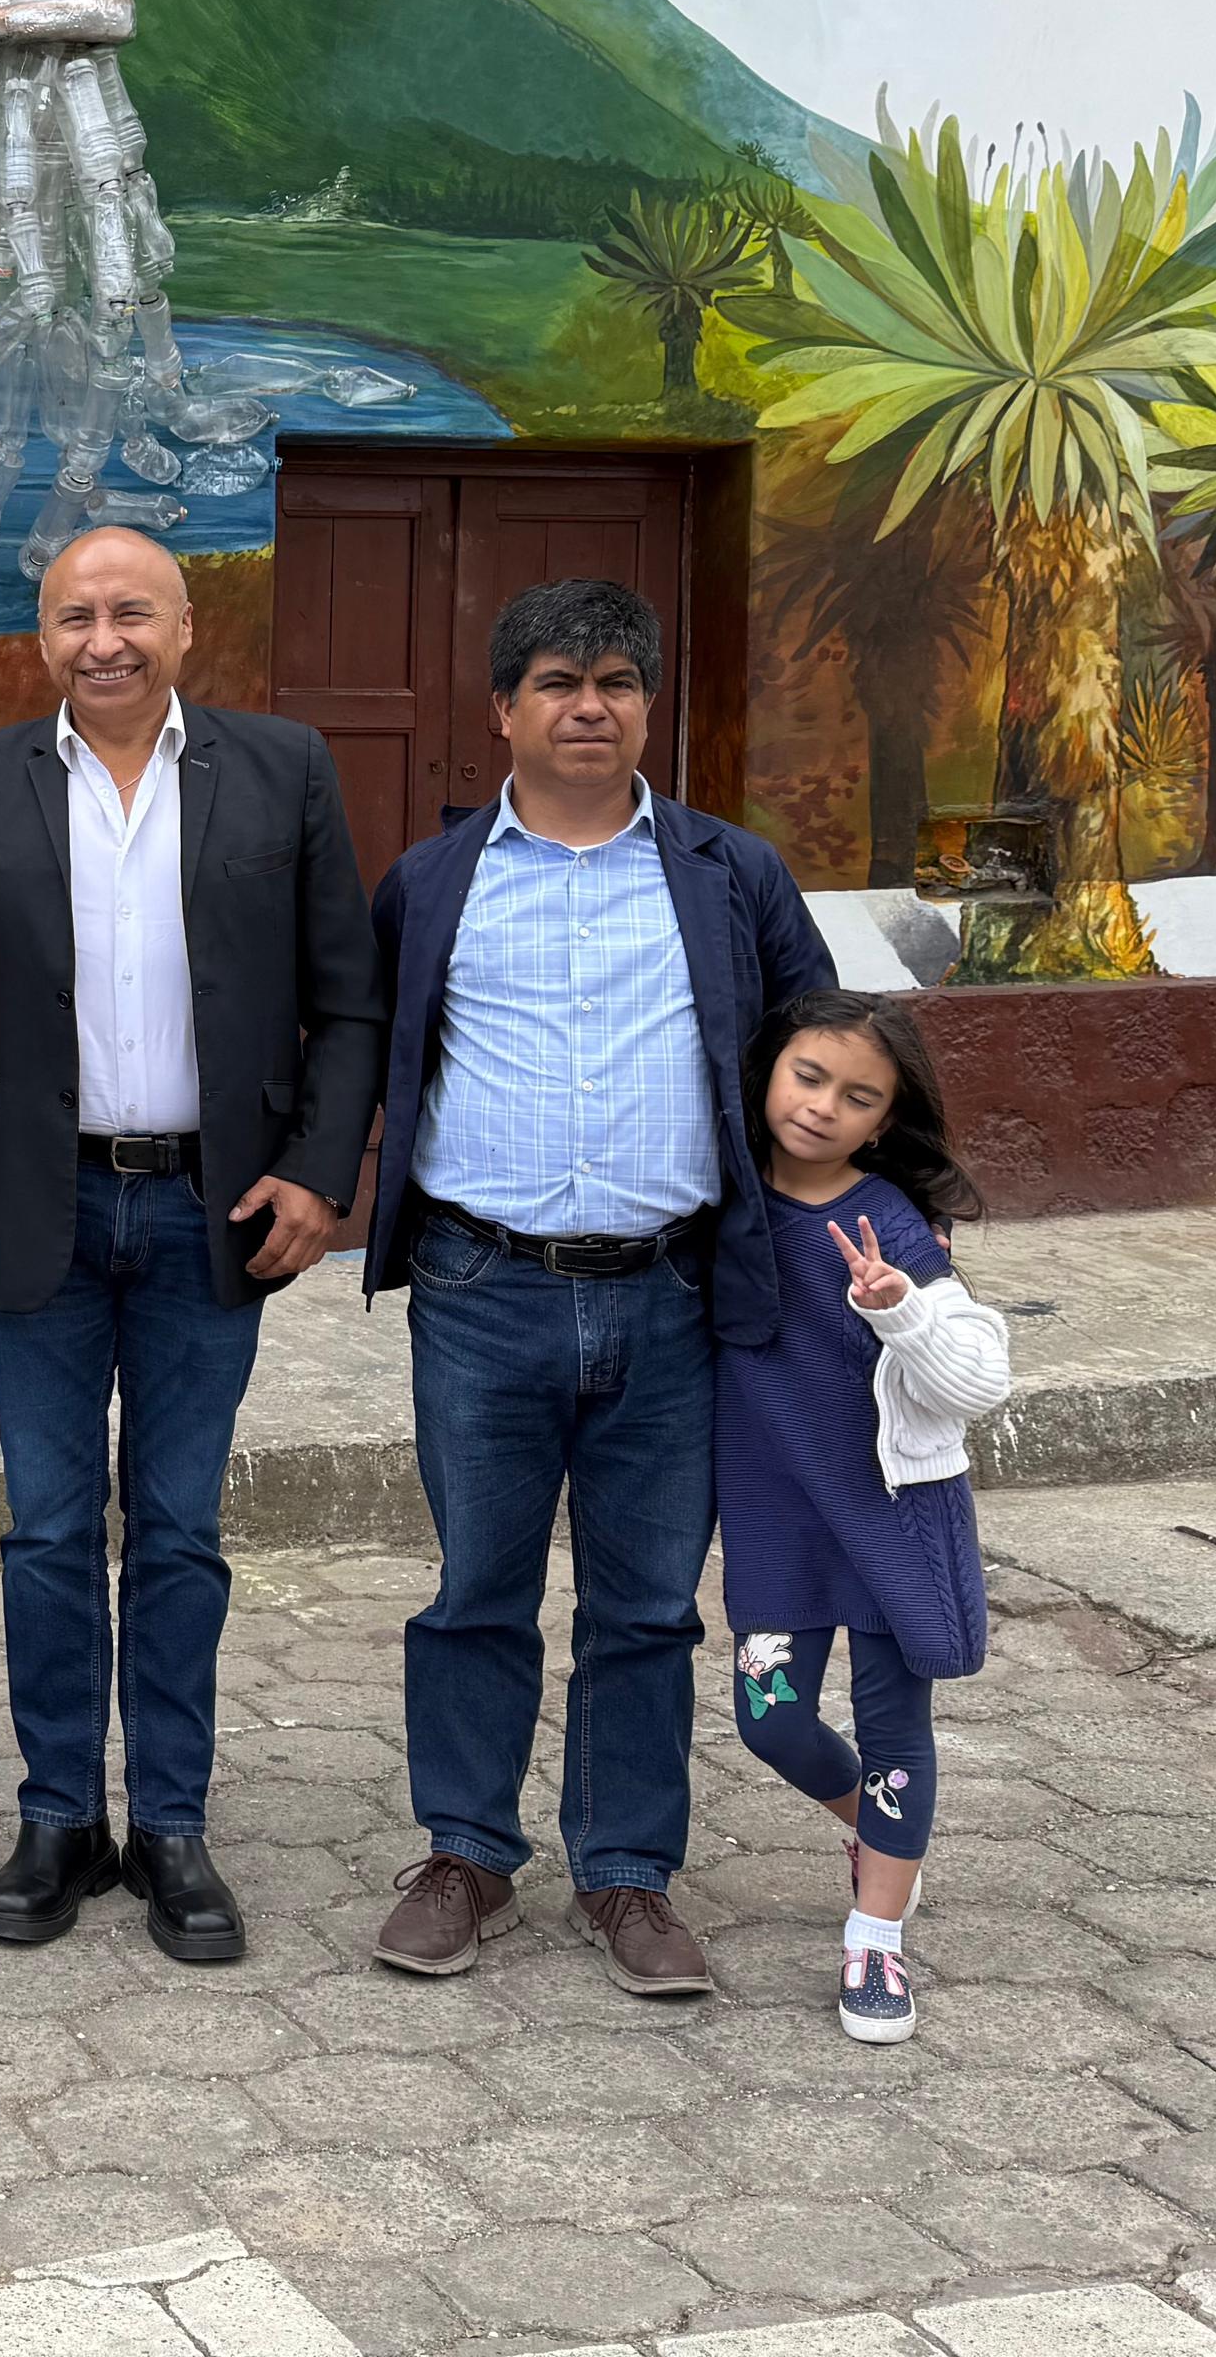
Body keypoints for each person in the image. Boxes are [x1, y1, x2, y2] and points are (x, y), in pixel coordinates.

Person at [0, 527, 386, 1965]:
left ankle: (170, 1825)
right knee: (46, 1530)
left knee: (176, 1530)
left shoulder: (280, 769)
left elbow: (349, 999)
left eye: (131, 613)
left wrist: (319, 1175)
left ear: (184, 627)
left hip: (212, 1212)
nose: (104, 640)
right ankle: (56, 1820)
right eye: (75, 617)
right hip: (29, 1209)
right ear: (41, 638)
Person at [361, 575, 838, 2000]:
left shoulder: (729, 874)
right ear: (502, 711)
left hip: (672, 1298)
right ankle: (463, 1854)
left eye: (616, 683)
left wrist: (869, 1226)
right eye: (558, 683)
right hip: (479, 1287)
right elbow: (370, 1049)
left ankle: (627, 1872)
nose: (589, 706)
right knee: (476, 1591)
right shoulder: (430, 882)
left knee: (647, 1607)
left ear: (647, 706)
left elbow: (819, 1047)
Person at [721, 986, 1010, 2047]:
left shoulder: (885, 1220)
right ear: (767, 1071)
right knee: (770, 1721)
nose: (821, 1106)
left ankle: (875, 1935)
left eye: (857, 1096)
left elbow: (977, 1381)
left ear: (884, 1121)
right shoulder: (719, 1197)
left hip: (891, 1515)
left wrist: (901, 1312)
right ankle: (882, 1834)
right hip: (773, 1517)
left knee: (896, 1732)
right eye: (808, 1077)